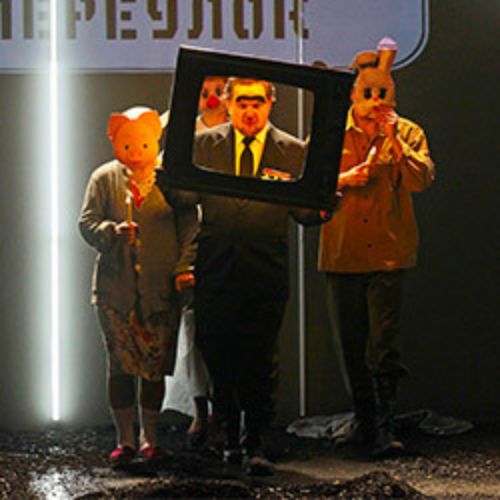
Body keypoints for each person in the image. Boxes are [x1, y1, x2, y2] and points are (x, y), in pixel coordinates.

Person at [160, 78, 331, 475]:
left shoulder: (292, 151)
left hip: (265, 270)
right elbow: (186, 197)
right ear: (227, 102)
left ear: (271, 103)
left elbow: (304, 213)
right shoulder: (204, 144)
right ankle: (229, 439)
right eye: (242, 102)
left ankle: (254, 442)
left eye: (257, 102)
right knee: (217, 354)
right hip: (215, 268)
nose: (249, 110)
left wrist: (324, 209)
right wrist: (167, 183)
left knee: (259, 360)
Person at [318, 38, 435, 456]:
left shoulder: (408, 132)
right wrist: (345, 179)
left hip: (388, 252)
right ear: (353, 94)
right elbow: (311, 185)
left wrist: (395, 142)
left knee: (384, 345)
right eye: (366, 93)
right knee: (351, 344)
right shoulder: (331, 131)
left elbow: (422, 179)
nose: (374, 102)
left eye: (382, 93)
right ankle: (364, 420)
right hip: (343, 252)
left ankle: (385, 424)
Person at [79, 107, 197, 464]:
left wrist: (184, 267)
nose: (135, 152)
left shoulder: (171, 180)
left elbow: (190, 226)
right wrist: (110, 232)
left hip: (160, 290)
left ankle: (151, 437)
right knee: (119, 364)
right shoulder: (104, 179)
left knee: (154, 366)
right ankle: (125, 439)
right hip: (115, 291)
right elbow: (86, 222)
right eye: (127, 144)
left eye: (143, 144)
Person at [163, 75, 229, 449]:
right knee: (193, 333)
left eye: (219, 92)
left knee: (227, 332)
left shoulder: (239, 134)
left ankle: (225, 413)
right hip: (190, 247)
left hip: (230, 245)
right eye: (204, 92)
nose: (212, 99)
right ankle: (200, 410)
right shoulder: (180, 131)